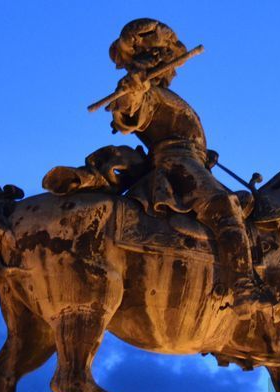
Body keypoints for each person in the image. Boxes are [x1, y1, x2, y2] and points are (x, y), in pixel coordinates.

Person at [104, 18, 269, 305]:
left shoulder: (166, 95)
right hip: (176, 165)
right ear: (157, 60)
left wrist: (203, 155)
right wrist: (133, 91)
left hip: (191, 162)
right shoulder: (147, 91)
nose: (175, 72)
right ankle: (243, 286)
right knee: (223, 206)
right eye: (172, 62)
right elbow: (129, 114)